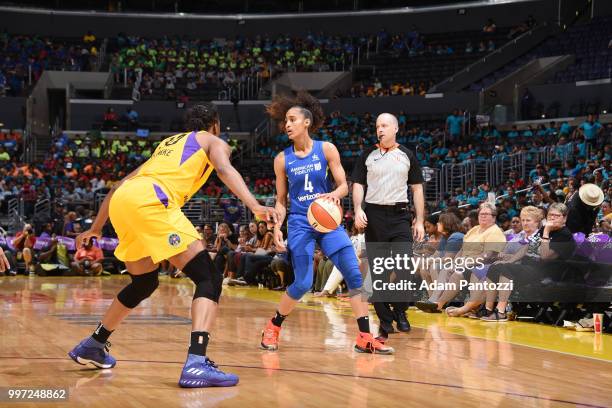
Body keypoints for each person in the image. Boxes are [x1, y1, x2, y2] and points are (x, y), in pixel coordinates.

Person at [68, 103, 277, 388]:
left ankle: (93, 344)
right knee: (209, 277)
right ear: (214, 124)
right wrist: (254, 205)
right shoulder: (212, 140)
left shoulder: (167, 145)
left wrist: (95, 227)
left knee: (143, 283)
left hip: (123, 201)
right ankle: (197, 362)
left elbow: (118, 187)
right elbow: (225, 170)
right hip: (151, 200)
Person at [261, 91, 392, 354]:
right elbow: (280, 200)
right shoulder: (281, 159)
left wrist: (334, 194)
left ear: (306, 122)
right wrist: (276, 227)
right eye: (285, 121)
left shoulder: (327, 149)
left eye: (292, 119)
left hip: (328, 217)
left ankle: (365, 336)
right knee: (303, 283)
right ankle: (273, 326)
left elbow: (344, 185)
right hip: (300, 222)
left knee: (354, 275)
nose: (287, 125)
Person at [351, 112, 425, 342]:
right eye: (377, 126)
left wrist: (420, 220)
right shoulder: (368, 154)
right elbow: (358, 184)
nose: (380, 130)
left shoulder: (407, 155)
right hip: (373, 215)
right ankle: (384, 321)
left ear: (395, 129)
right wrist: (358, 209)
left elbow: (417, 189)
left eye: (384, 126)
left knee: (404, 268)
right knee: (379, 273)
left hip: (400, 215)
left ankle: (400, 311)